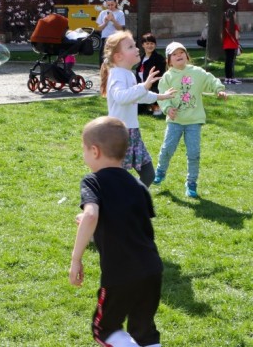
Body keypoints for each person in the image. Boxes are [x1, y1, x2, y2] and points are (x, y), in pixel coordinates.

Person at [69, 116, 163, 347]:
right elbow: (126, 221)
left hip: (121, 274)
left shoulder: (93, 181)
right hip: (152, 269)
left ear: (94, 151)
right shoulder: (138, 185)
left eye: (83, 149)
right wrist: (94, 223)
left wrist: (76, 259)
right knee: (144, 332)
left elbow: (91, 215)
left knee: (104, 330)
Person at [100, 30, 174, 188]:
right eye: (131, 47)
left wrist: (161, 96)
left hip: (133, 132)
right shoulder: (117, 74)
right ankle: (115, 199)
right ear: (118, 56)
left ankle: (131, 199)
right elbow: (121, 97)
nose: (137, 48)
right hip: (119, 134)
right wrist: (144, 86)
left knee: (148, 174)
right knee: (118, 178)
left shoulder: (128, 74)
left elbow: (138, 96)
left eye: (134, 45)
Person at [154, 42, 227, 198]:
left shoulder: (197, 72)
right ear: (169, 61)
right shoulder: (167, 77)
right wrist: (168, 108)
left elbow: (210, 80)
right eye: (174, 54)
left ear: (187, 56)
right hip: (175, 121)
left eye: (181, 52)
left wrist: (219, 90)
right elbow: (162, 95)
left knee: (194, 153)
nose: (179, 55)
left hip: (194, 121)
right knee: (167, 149)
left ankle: (191, 183)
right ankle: (160, 171)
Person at [133, 33, 166, 118]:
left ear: (155, 45)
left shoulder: (159, 59)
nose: (149, 46)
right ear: (143, 45)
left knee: (154, 112)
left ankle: (156, 106)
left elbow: (159, 77)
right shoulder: (141, 58)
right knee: (137, 111)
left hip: (154, 88)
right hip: (142, 88)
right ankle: (147, 106)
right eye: (147, 43)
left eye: (152, 43)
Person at [221, 6, 241, 84]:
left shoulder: (224, 25)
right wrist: (239, 36)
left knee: (227, 62)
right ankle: (231, 77)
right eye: (235, 15)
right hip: (232, 45)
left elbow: (221, 36)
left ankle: (227, 78)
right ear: (233, 16)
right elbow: (237, 36)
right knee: (231, 62)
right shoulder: (234, 26)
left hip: (226, 45)